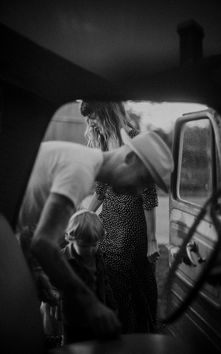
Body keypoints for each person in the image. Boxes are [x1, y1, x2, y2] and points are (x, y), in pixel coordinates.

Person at [17, 122, 174, 340]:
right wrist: (91, 305)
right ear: (129, 159)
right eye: (142, 180)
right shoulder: (80, 171)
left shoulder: (86, 163)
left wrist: (36, 273)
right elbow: (43, 244)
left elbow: (27, 223)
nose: (139, 191)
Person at [81, 101, 160, 333]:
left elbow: (149, 194)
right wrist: (83, 213)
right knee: (113, 287)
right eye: (88, 118)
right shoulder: (106, 143)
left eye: (93, 117)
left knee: (137, 286)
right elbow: (101, 190)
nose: (90, 123)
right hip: (109, 225)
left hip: (133, 227)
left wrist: (152, 239)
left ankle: (141, 334)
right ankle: (121, 333)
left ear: (107, 113)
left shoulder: (135, 141)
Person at [61, 209, 117, 343]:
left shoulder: (98, 257)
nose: (91, 250)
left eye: (94, 245)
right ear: (71, 238)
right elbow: (51, 282)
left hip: (97, 316)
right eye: (84, 246)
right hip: (74, 320)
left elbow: (104, 282)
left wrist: (112, 307)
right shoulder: (61, 259)